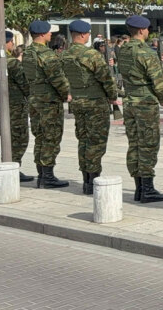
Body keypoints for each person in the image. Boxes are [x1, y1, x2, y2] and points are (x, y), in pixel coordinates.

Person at [117, 15, 163, 203]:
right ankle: (148, 188)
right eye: (147, 29)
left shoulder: (122, 50)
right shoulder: (146, 53)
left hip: (130, 102)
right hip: (145, 103)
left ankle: (139, 187)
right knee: (148, 145)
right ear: (141, 30)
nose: (148, 32)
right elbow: (158, 80)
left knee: (134, 144)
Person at [61, 20, 118, 195]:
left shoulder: (65, 55)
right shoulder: (91, 55)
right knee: (96, 142)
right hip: (95, 103)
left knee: (83, 140)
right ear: (84, 34)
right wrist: (113, 96)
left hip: (78, 102)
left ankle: (86, 179)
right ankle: (93, 179)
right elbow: (106, 78)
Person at [23, 20, 71, 189]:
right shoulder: (46, 54)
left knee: (40, 137)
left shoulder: (27, 53)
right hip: (49, 102)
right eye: (50, 32)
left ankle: (41, 174)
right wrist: (67, 94)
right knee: (51, 137)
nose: (51, 35)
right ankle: (48, 177)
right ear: (42, 34)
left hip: (34, 99)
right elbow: (57, 78)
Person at [1, 31, 32, 182]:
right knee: (20, 138)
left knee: (6, 136)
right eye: (11, 41)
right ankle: (13, 168)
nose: (12, 44)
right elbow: (25, 84)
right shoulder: (11, 62)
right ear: (5, 42)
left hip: (0, 105)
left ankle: (8, 166)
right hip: (16, 105)